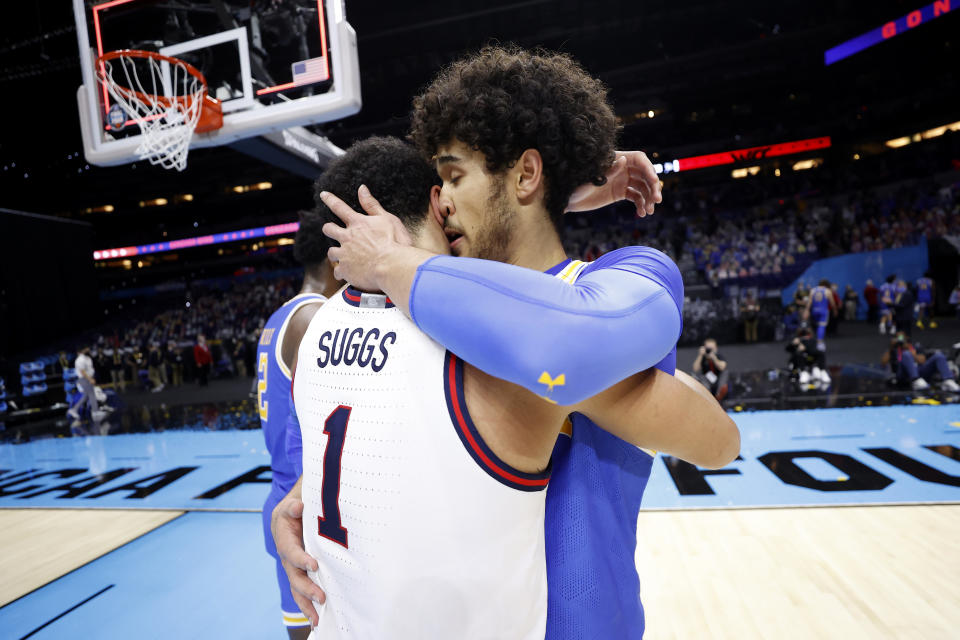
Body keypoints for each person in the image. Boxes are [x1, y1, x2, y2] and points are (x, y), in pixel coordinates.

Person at [276, 48, 736, 638]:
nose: (439, 200)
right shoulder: (437, 314)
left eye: (453, 176)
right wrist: (305, 502)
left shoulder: (605, 285)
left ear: (524, 174)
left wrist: (394, 259)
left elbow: (561, 344)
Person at [256, 210, 343, 639]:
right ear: (334, 256)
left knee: (299, 629)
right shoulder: (317, 318)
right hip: (306, 506)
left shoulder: (279, 318)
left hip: (282, 495)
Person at [882, 332, 960, 392]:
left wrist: (911, 353)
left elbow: (922, 360)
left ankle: (948, 381)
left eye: (901, 337)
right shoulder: (893, 350)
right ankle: (915, 380)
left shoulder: (914, 347)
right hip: (903, 374)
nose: (900, 340)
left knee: (939, 356)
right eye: (898, 337)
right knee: (906, 354)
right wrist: (891, 347)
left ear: (906, 338)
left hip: (919, 372)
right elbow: (883, 363)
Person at [786, 325, 830, 389]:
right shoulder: (797, 340)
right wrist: (793, 344)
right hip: (799, 363)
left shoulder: (813, 340)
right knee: (799, 354)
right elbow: (788, 349)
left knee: (820, 353)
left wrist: (805, 348)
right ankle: (804, 373)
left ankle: (821, 371)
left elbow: (813, 350)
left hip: (810, 360)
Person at [803, 278, 836, 351]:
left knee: (816, 326)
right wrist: (835, 310)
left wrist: (806, 310)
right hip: (823, 311)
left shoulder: (813, 290)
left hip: (814, 311)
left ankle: (814, 341)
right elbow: (832, 303)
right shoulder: (827, 291)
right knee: (821, 326)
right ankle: (819, 343)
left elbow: (809, 302)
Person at [692, 337, 729, 402]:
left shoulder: (719, 356)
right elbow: (695, 369)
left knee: (725, 372)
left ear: (716, 348)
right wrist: (700, 355)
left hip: (719, 381)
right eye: (708, 348)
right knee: (698, 376)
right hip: (707, 382)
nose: (709, 350)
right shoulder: (703, 358)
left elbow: (722, 367)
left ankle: (718, 396)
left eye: (712, 349)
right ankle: (707, 397)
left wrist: (714, 358)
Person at [67, 345, 98, 421]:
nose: (88, 349)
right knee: (91, 394)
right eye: (87, 348)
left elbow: (89, 368)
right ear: (82, 350)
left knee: (86, 396)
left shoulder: (87, 358)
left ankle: (74, 410)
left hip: (88, 378)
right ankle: (95, 412)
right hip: (84, 379)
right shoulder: (80, 359)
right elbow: (82, 371)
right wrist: (90, 379)